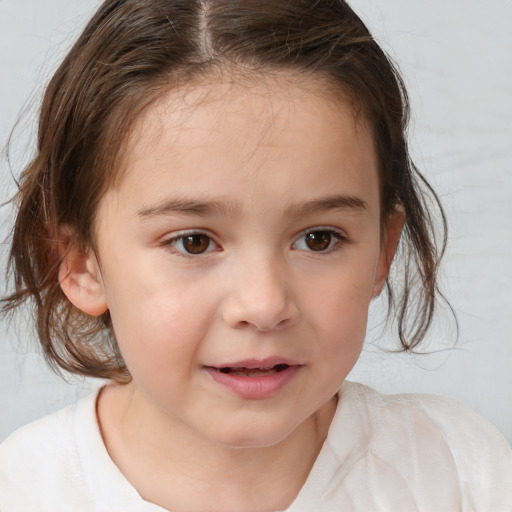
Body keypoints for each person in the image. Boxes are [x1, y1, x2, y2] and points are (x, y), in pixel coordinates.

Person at [0, 0, 510, 510]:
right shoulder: (22, 490)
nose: (264, 305)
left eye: (318, 239)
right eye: (193, 242)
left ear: (383, 248)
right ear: (80, 263)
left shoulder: (458, 472)